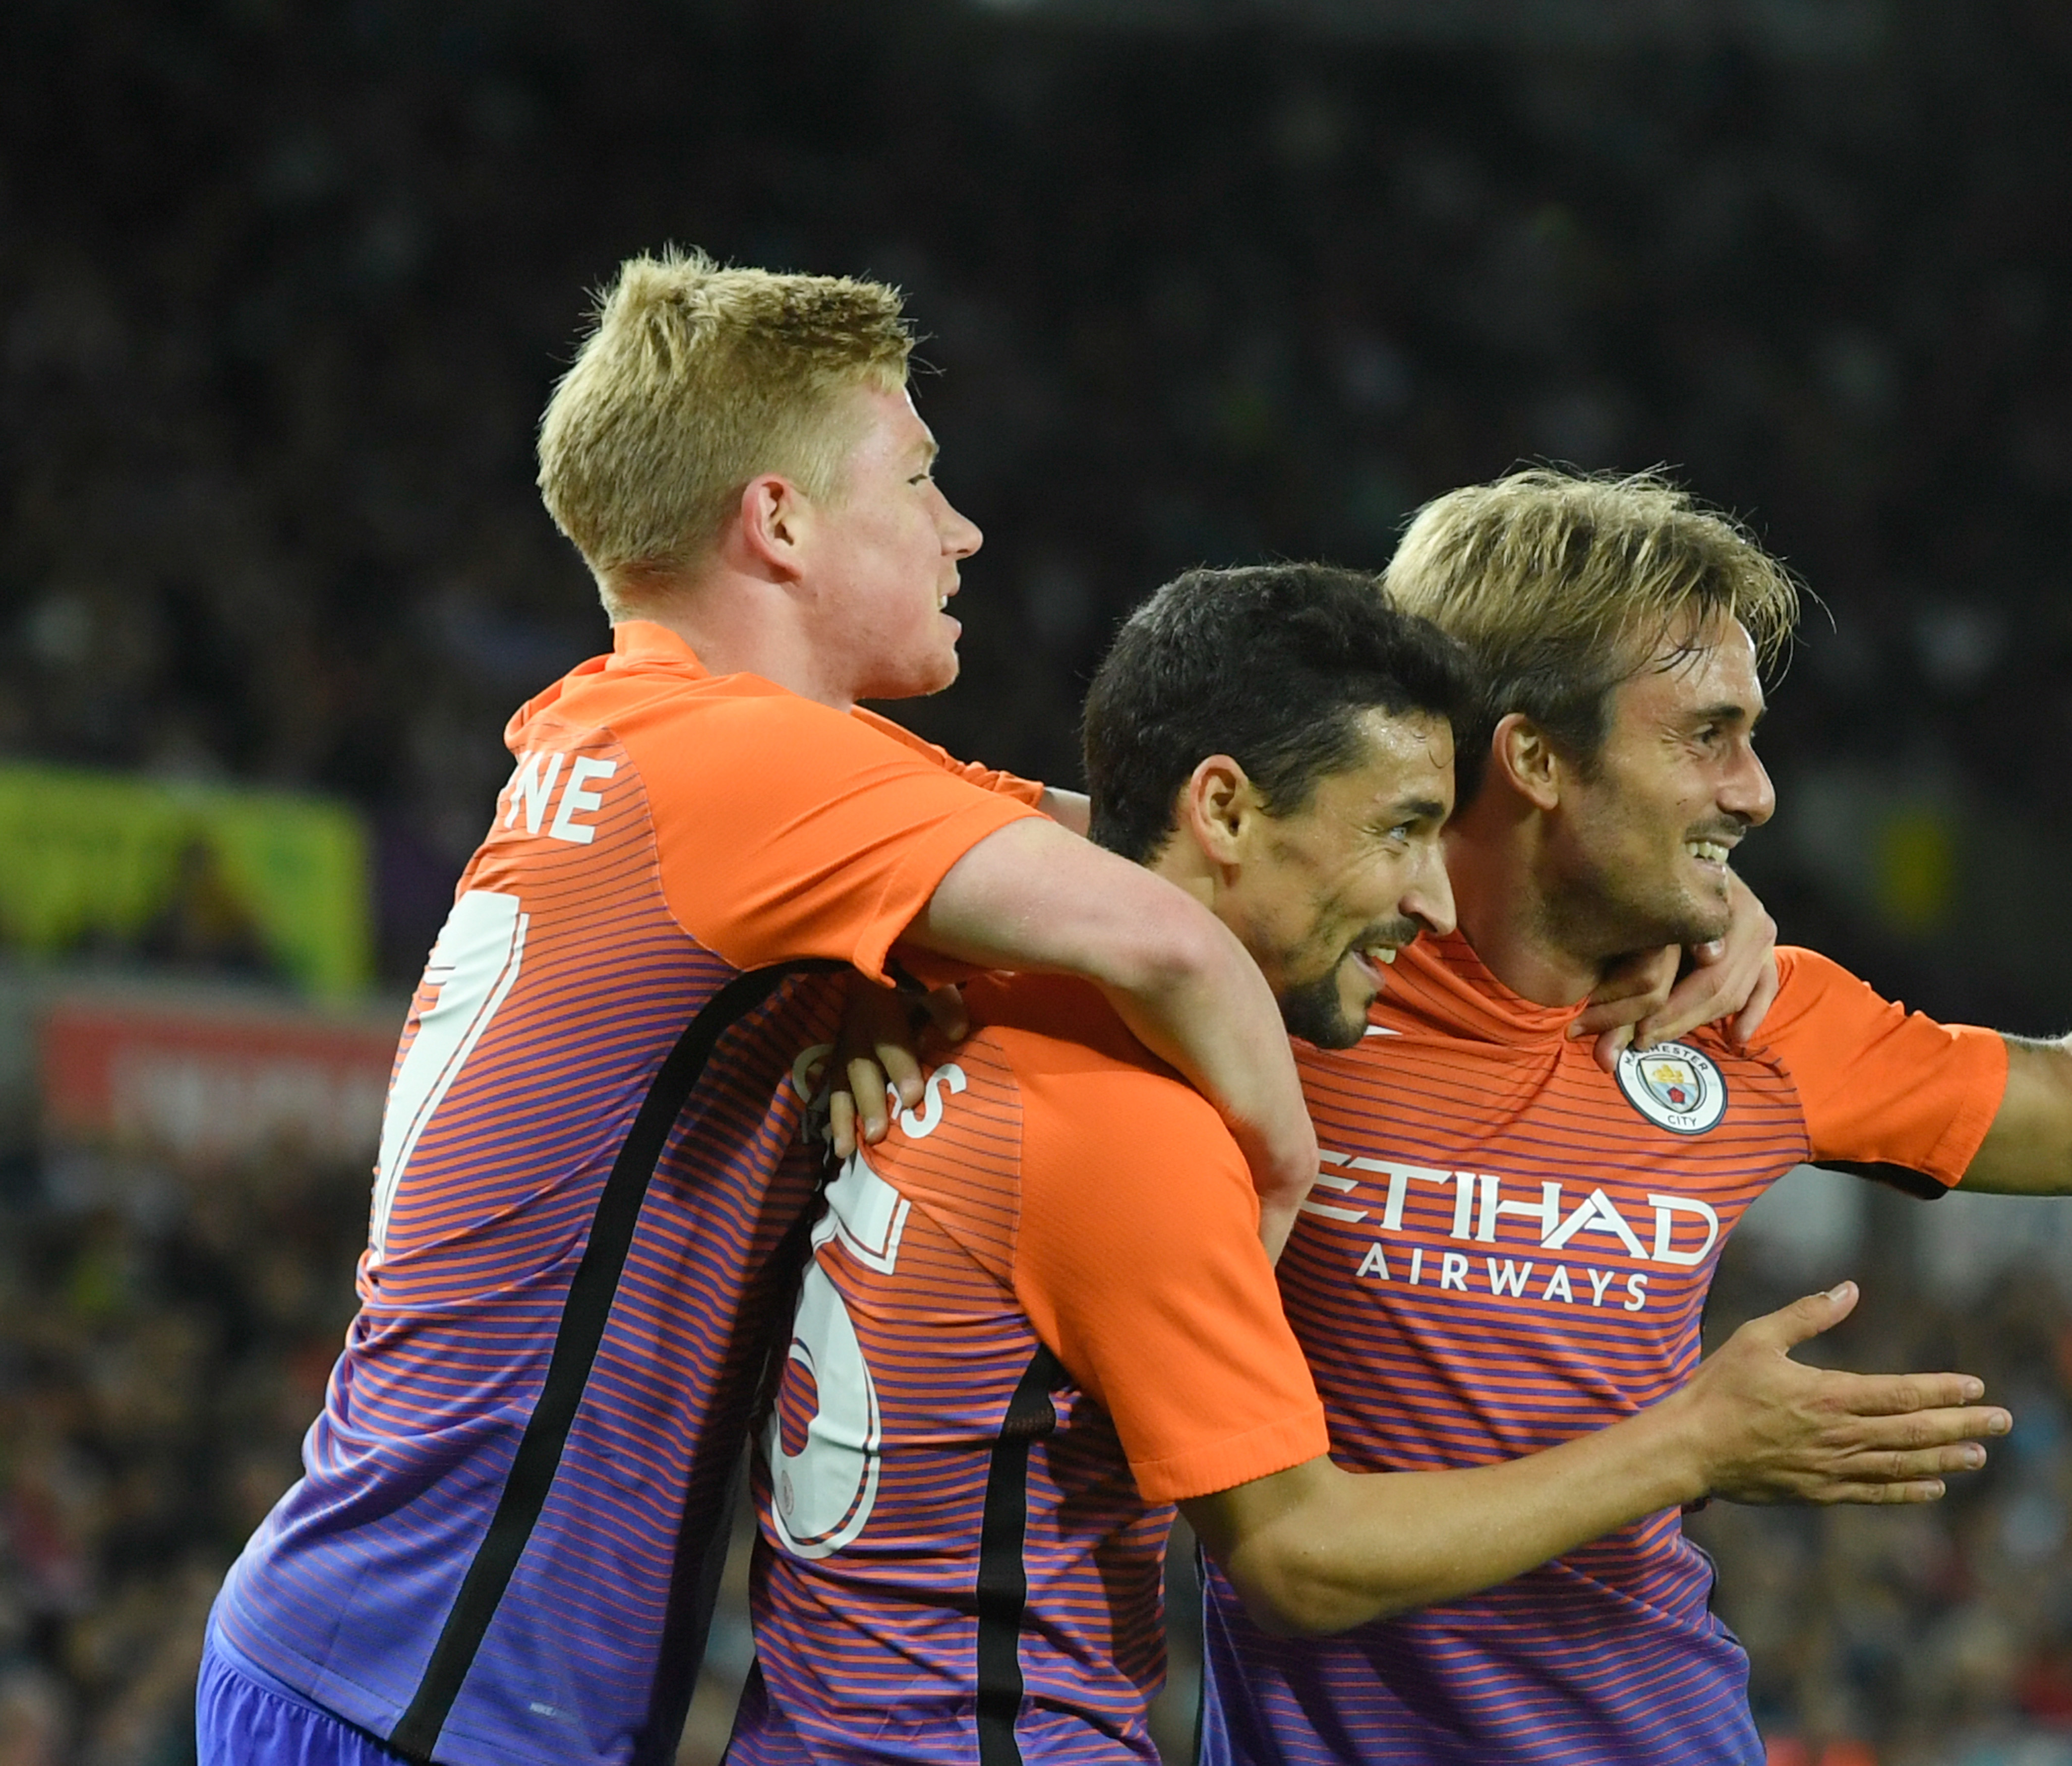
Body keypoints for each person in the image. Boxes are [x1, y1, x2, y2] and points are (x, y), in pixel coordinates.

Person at [1197, 468, 2072, 1766]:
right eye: (1708, 736)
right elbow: (1030, 837)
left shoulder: (1758, 1012)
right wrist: (1695, 1442)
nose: (1756, 792)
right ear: (1531, 759)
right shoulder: (1257, 983)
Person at [197, 251, 1315, 1766]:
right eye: (917, 479)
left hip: (379, 1646)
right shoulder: (751, 771)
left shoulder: (633, 727)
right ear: (779, 519)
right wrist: (1280, 1173)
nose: (963, 529)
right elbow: (1188, 931)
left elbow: (1195, 852)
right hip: (428, 1690)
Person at [737, 564, 2010, 1765]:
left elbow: (942, 800)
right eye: (1402, 830)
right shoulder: (1135, 1130)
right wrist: (1692, 1442)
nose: (1435, 900)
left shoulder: (1001, 999)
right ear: (1225, 807)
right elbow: (1297, 1555)